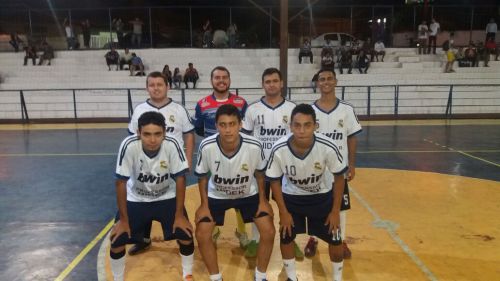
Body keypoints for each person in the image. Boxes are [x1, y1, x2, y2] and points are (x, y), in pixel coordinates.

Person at [266, 103, 347, 281]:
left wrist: (335, 211)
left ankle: (337, 278)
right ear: (291, 126)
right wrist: (283, 212)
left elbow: (339, 177)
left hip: (322, 198)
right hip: (292, 199)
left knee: (335, 237)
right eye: (297, 125)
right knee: (286, 236)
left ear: (315, 126)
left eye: (307, 125)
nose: (302, 130)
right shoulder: (279, 148)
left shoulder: (328, 146)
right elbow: (274, 181)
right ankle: (291, 277)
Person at [194, 104, 276, 281]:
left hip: (248, 195)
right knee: (202, 233)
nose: (228, 130)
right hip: (217, 196)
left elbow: (260, 175)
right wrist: (203, 205)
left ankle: (261, 276)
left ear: (240, 125)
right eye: (223, 125)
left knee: (268, 231)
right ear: (216, 126)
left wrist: (263, 200)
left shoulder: (254, 145)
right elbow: (202, 177)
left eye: (232, 124)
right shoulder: (207, 146)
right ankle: (216, 278)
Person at [110, 111, 194, 281]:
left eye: (157, 134)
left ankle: (187, 274)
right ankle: (118, 278)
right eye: (147, 134)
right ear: (139, 133)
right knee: (117, 239)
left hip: (166, 197)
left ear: (164, 132)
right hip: (137, 199)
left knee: (185, 234)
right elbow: (120, 183)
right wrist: (124, 220)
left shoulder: (172, 144)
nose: (152, 139)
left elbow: (180, 178)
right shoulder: (129, 145)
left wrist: (179, 215)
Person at [126, 71, 195, 256]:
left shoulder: (179, 109)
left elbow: (189, 135)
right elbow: (133, 138)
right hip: (146, 165)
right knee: (145, 198)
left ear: (168, 87)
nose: (156, 88)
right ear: (147, 88)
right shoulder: (139, 110)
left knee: (172, 201)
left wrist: (188, 159)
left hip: (173, 167)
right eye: (152, 85)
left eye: (160, 84)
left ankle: (179, 231)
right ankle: (143, 239)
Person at [242, 68, 304, 259]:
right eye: (267, 81)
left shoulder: (292, 109)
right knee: (258, 204)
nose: (271, 84)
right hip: (260, 168)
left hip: (285, 169)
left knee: (289, 206)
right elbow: (245, 139)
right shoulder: (252, 110)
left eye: (275, 81)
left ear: (282, 83)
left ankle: (290, 240)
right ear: (263, 85)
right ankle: (256, 239)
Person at [306, 69, 362, 260]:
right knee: (315, 205)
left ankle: (340, 239)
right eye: (322, 79)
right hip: (316, 169)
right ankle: (313, 238)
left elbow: (352, 137)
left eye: (329, 78)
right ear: (318, 84)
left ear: (336, 82)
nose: (326, 82)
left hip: (338, 170)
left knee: (340, 207)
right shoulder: (310, 111)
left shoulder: (346, 109)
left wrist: (352, 164)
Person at [193, 66, 250, 247]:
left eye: (224, 77)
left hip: (238, 156)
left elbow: (246, 128)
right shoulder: (202, 104)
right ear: (211, 81)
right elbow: (199, 129)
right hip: (212, 158)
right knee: (212, 195)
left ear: (230, 80)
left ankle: (242, 232)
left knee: (240, 193)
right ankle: (215, 230)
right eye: (217, 78)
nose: (221, 80)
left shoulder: (241, 103)